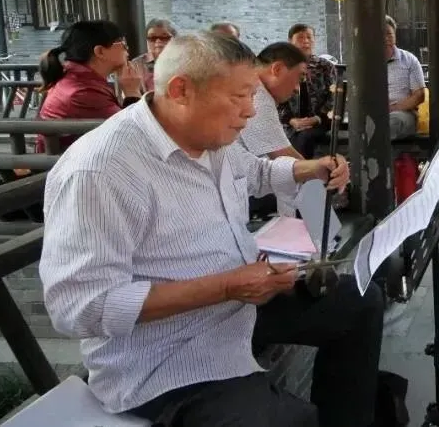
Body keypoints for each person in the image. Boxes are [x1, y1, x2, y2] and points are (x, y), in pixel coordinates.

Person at [39, 32, 382, 427]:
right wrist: (225, 287)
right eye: (238, 97)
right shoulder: (101, 170)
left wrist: (310, 168)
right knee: (287, 420)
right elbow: (80, 306)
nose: (250, 111)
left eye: (252, 95)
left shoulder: (208, 136)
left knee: (360, 301)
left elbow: (253, 172)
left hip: (238, 306)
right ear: (181, 90)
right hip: (164, 355)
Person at [37, 20, 144, 151]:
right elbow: (134, 134)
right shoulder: (83, 92)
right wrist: (132, 92)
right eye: (122, 43)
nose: (127, 49)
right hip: (67, 161)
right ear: (100, 51)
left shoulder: (73, 77)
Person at [281, 23, 338, 159]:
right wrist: (292, 120)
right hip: (290, 123)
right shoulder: (283, 67)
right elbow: (278, 99)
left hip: (321, 121)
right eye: (300, 38)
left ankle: (303, 169)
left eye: (309, 37)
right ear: (290, 41)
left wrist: (317, 118)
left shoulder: (325, 66)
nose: (306, 41)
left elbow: (334, 96)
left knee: (304, 136)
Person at [384, 16, 426, 140]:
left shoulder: (409, 60)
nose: (386, 38)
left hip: (404, 113)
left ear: (395, 35)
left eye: (389, 34)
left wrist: (392, 108)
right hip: (375, 113)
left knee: (392, 123)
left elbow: (419, 95)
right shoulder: (367, 62)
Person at [130, 18, 176, 94]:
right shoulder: (136, 65)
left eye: (164, 38)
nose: (158, 41)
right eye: (152, 38)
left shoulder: (183, 62)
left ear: (175, 39)